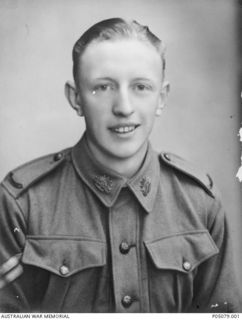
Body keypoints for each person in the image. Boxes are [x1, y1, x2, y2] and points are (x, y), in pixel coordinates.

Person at [0, 17, 240, 313]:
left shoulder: (199, 201)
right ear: (76, 99)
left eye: (141, 86)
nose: (124, 107)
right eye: (103, 87)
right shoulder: (22, 203)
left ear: (161, 98)